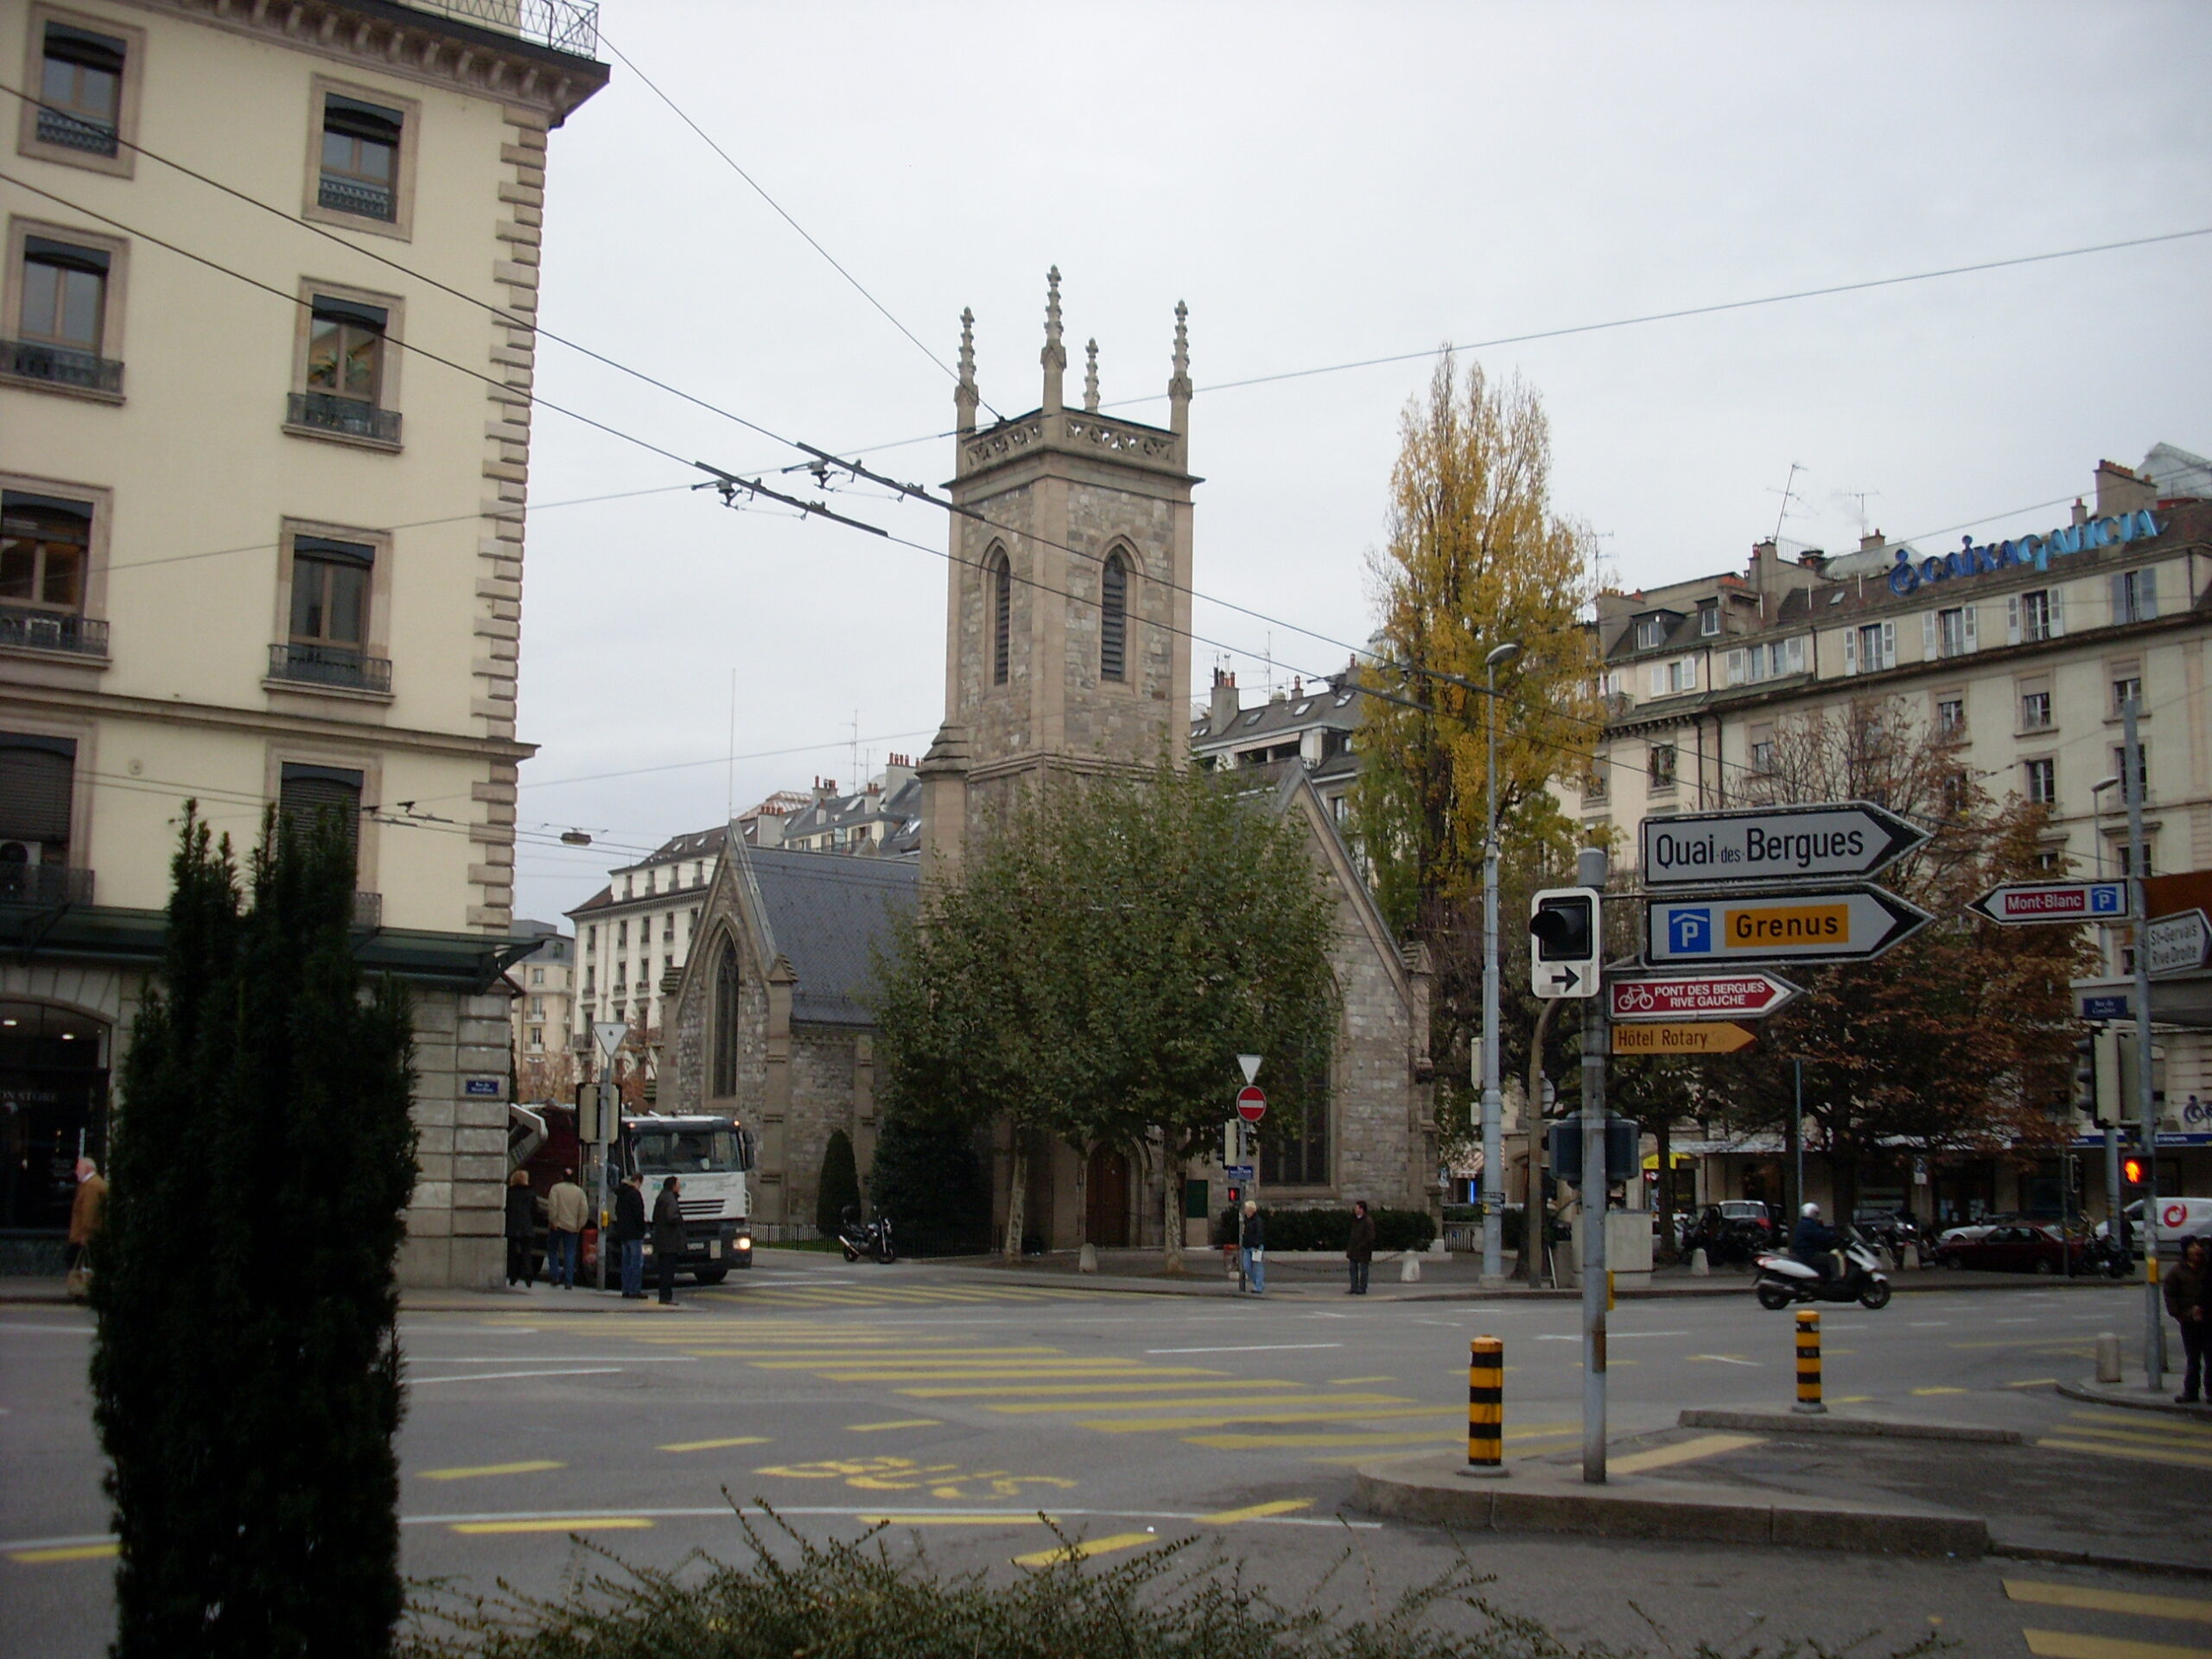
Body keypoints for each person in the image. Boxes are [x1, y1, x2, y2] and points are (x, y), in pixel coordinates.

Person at [2168, 1235, 2209, 1405]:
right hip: (2189, 1321)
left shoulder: (2207, 1268)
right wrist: (2180, 1315)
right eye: (2192, 1246)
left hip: (2207, 1319)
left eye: (2197, 1245)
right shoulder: (2177, 1271)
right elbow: (2170, 1295)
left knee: (2210, 1357)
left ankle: (2210, 1392)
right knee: (2193, 1358)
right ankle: (2191, 1392)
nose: (2196, 1249)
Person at [65, 1157, 107, 1299]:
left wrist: (85, 1234)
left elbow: (89, 1212)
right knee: (85, 1263)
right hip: (88, 1234)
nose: (76, 1171)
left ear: (88, 1169)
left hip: (84, 1235)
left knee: (76, 1261)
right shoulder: (92, 1184)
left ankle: (83, 1290)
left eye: (79, 1168)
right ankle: (87, 1290)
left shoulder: (91, 1186)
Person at [545, 1166, 588, 1289]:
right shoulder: (580, 1192)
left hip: (558, 1225)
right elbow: (584, 1210)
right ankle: (568, 1281)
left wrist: (553, 1221)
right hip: (572, 1227)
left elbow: (553, 1206)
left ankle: (555, 1276)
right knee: (570, 1252)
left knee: (553, 1250)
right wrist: (580, 1225)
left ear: (562, 1177)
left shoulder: (556, 1189)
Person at [613, 1171, 647, 1300]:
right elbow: (639, 1214)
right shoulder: (635, 1194)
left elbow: (617, 1212)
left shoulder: (621, 1194)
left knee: (626, 1262)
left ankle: (626, 1289)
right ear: (638, 1181)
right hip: (635, 1233)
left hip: (623, 1232)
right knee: (636, 1262)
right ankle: (635, 1290)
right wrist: (643, 1228)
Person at [652, 1175, 685, 1305]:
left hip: (662, 1239)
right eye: (678, 1185)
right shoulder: (670, 1199)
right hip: (669, 1240)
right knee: (668, 1271)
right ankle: (666, 1297)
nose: (679, 1187)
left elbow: (655, 1217)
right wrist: (680, 1221)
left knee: (664, 1270)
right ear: (673, 1186)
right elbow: (671, 1216)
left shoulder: (661, 1197)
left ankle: (664, 1296)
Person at [505, 1168, 540, 1287]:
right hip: (526, 1226)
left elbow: (506, 1209)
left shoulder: (509, 1193)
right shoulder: (531, 1193)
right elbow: (536, 1210)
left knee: (512, 1253)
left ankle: (513, 1277)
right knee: (526, 1253)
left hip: (512, 1226)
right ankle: (528, 1276)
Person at [1792, 1202, 1840, 1281]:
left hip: (1804, 1251)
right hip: (1808, 1253)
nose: (1818, 1216)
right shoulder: (1808, 1225)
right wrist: (1833, 1236)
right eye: (1816, 1214)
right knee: (1832, 1258)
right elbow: (1820, 1235)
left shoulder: (1804, 1223)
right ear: (1812, 1213)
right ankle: (1836, 1281)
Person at [1346, 1199, 1376, 1295]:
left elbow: (1370, 1236)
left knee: (1363, 1270)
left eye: (1357, 1208)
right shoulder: (1355, 1220)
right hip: (1354, 1249)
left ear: (1362, 1209)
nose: (1355, 1209)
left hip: (1363, 1250)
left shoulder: (1367, 1221)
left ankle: (1362, 1288)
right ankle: (1354, 1287)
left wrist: (1362, 1245)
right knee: (1352, 1269)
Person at [1238, 1199, 1266, 1296]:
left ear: (1251, 1209)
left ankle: (1258, 1286)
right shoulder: (1247, 1220)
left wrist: (1257, 1244)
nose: (1245, 1210)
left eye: (1246, 1208)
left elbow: (1259, 1233)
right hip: (1247, 1247)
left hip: (1255, 1247)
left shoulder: (1257, 1220)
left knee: (1258, 1267)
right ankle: (1258, 1283)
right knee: (1246, 1267)